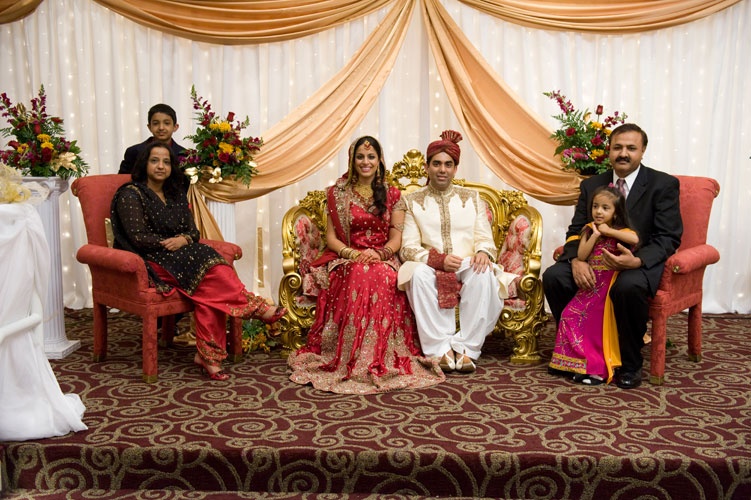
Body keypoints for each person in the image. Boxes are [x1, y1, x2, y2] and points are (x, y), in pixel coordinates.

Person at [110, 142, 285, 381]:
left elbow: (193, 231)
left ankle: (208, 358)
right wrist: (169, 243)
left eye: (166, 162)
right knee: (208, 278)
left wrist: (183, 240)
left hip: (182, 253)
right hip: (151, 259)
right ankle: (256, 309)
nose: (161, 166)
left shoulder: (175, 194)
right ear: (144, 164)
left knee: (212, 277)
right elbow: (136, 236)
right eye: (154, 161)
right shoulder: (131, 194)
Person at [288, 136, 445, 394]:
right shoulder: (337, 194)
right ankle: (350, 358)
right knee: (359, 273)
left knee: (381, 275)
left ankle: (380, 355)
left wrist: (380, 253)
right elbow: (331, 238)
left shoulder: (393, 195)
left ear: (379, 160)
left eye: (371, 157)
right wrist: (352, 253)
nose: (365, 162)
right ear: (352, 160)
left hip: (383, 257)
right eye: (360, 157)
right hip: (346, 258)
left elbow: (396, 237)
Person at [543, 123, 682, 389]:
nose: (623, 153)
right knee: (554, 276)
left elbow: (668, 237)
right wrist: (576, 260)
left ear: (643, 151)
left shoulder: (663, 184)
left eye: (631, 148)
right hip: (593, 260)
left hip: (635, 264)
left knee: (628, 287)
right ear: (609, 150)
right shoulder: (592, 184)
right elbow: (576, 229)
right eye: (617, 147)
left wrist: (637, 261)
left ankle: (629, 363)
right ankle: (575, 353)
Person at [397, 130, 521, 374]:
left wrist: (483, 252)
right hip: (429, 264)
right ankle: (439, 349)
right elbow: (408, 246)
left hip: (466, 262)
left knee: (483, 272)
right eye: (436, 164)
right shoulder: (412, 201)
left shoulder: (472, 198)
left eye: (448, 164)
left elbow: (484, 237)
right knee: (417, 274)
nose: (442, 169)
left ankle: (467, 348)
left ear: (455, 169)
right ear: (426, 167)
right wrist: (438, 260)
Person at [549, 185, 639, 385]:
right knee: (568, 315)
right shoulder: (588, 230)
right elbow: (581, 255)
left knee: (594, 327)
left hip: (607, 288)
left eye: (605, 208)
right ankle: (580, 364)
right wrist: (595, 235)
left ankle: (598, 371)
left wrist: (609, 232)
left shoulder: (621, 231)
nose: (599, 212)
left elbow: (634, 239)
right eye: (595, 206)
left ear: (616, 212)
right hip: (589, 286)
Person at [118, 103, 185, 175]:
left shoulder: (185, 155)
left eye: (166, 123)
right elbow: (122, 179)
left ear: (175, 127)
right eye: (156, 123)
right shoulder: (134, 152)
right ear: (149, 127)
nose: (161, 128)